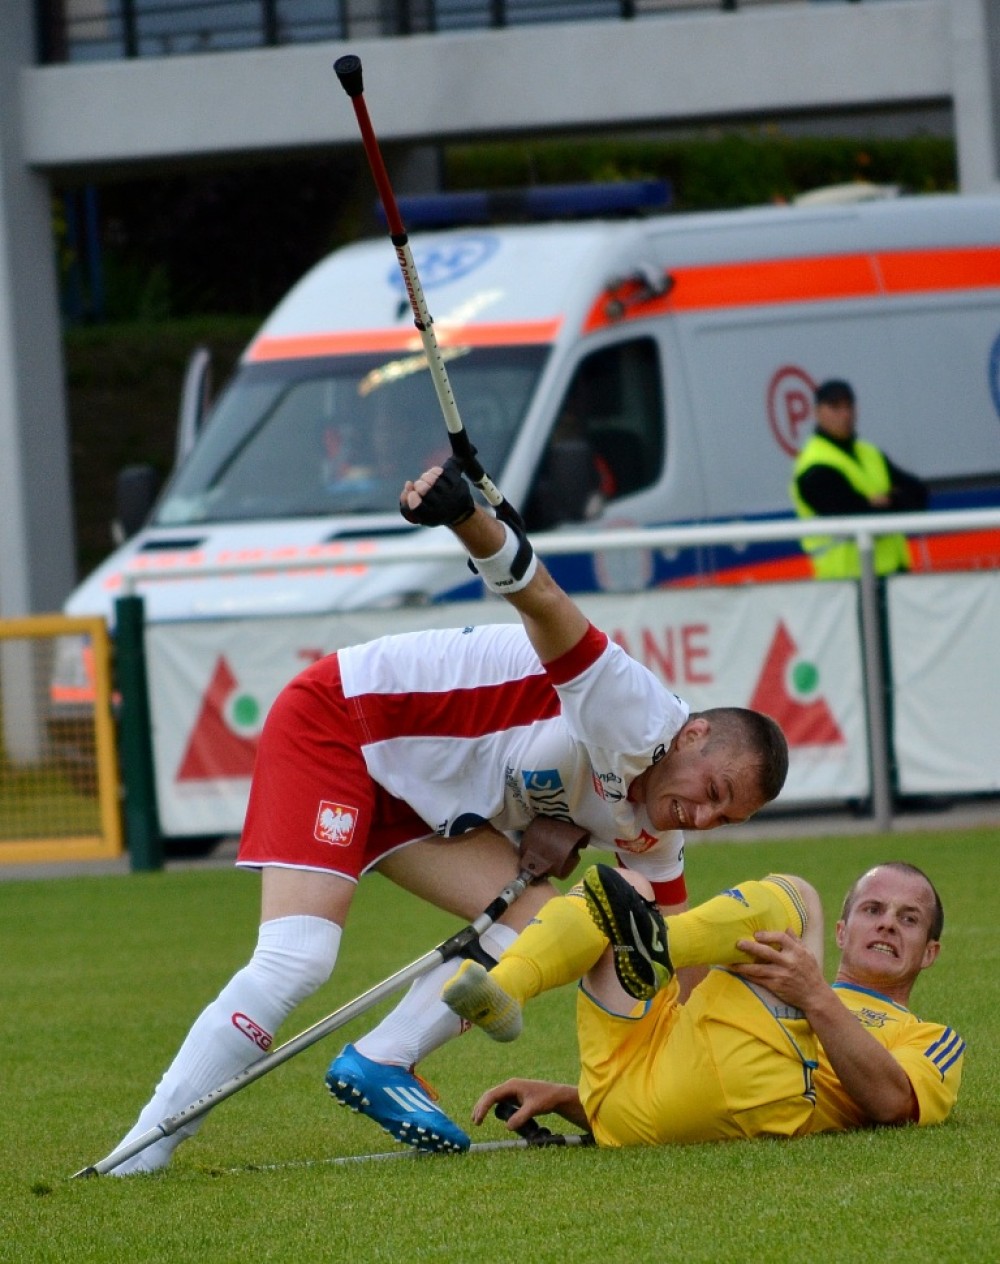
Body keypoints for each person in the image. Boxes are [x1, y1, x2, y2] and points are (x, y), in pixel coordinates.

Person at [103, 458, 788, 1173]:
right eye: (714, 792)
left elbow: (674, 953)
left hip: (414, 793)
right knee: (297, 958)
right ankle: (138, 1154)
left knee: (544, 922)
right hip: (341, 721)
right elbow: (543, 597)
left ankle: (383, 1059)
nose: (703, 818)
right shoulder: (632, 707)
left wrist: (701, 1065)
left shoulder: (658, 831)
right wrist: (466, 518)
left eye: (725, 820)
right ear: (694, 734)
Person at [445, 860, 964, 1146]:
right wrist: (567, 1097)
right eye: (873, 910)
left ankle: (660, 944)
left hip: (750, 1094)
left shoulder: (932, 1038)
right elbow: (688, 1092)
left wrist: (815, 996)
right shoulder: (789, 975)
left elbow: (894, 1104)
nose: (888, 924)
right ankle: (505, 988)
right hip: (625, 1095)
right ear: (844, 932)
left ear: (930, 952)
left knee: (798, 895)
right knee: (627, 885)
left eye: (908, 919)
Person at [790, 378, 929, 579]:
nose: (845, 414)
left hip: (895, 573)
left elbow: (918, 493)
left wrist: (883, 501)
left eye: (849, 406)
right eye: (835, 407)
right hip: (847, 581)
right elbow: (853, 516)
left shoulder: (870, 453)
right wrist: (888, 501)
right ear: (817, 412)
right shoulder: (814, 465)